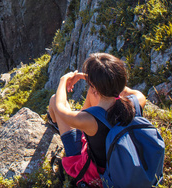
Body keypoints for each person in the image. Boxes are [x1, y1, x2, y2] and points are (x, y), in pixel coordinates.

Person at [47, 53, 146, 186]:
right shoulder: (138, 100)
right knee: (93, 95)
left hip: (97, 173)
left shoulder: (89, 120)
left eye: (91, 86)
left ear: (96, 90)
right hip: (122, 161)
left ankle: (55, 124)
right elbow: (119, 87)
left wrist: (63, 80)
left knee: (53, 99)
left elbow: (60, 108)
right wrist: (87, 78)